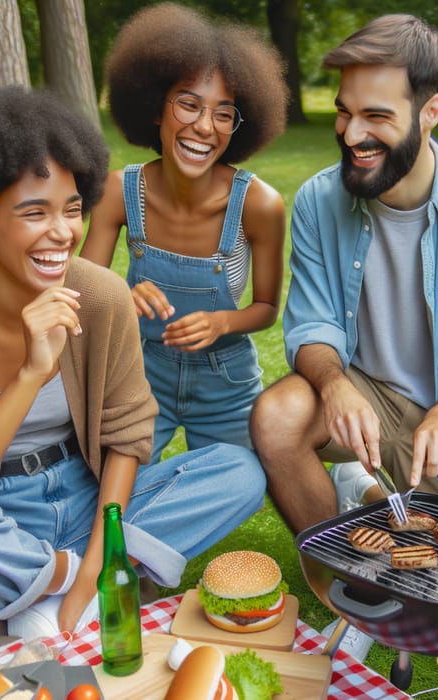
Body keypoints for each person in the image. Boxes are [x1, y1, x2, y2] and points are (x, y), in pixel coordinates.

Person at [0, 86, 266, 650]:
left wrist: (102, 553)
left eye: (72, 210)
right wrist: (29, 375)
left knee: (239, 472)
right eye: (34, 213)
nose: (63, 233)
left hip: (90, 497)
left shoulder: (99, 294)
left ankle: (40, 589)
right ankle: (63, 585)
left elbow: (127, 434)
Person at [249, 14, 438, 539]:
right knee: (276, 416)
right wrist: (334, 386)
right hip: (358, 387)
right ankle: (343, 575)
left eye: (375, 115)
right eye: (344, 112)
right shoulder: (316, 199)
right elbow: (313, 322)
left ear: (430, 112)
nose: (352, 134)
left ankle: (365, 489)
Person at [81, 3, 287, 462]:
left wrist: (223, 322)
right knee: (103, 480)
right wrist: (118, 295)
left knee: (244, 480)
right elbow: (82, 285)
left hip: (226, 379)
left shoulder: (259, 204)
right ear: (156, 109)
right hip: (139, 369)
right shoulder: (119, 191)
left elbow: (268, 308)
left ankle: (350, 481)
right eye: (189, 104)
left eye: (223, 113)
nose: (203, 127)